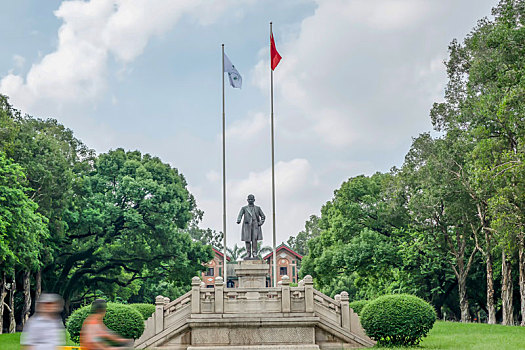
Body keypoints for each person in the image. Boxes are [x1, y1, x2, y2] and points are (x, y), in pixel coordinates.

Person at [236, 194, 265, 259]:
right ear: (247, 200)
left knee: (254, 239)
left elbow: (263, 216)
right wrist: (239, 220)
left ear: (254, 200)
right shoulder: (244, 208)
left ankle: (254, 253)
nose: (250, 200)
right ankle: (248, 253)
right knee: (247, 240)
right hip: (247, 226)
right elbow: (240, 215)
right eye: (249, 199)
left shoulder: (258, 208)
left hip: (255, 226)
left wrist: (260, 223)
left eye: (251, 199)